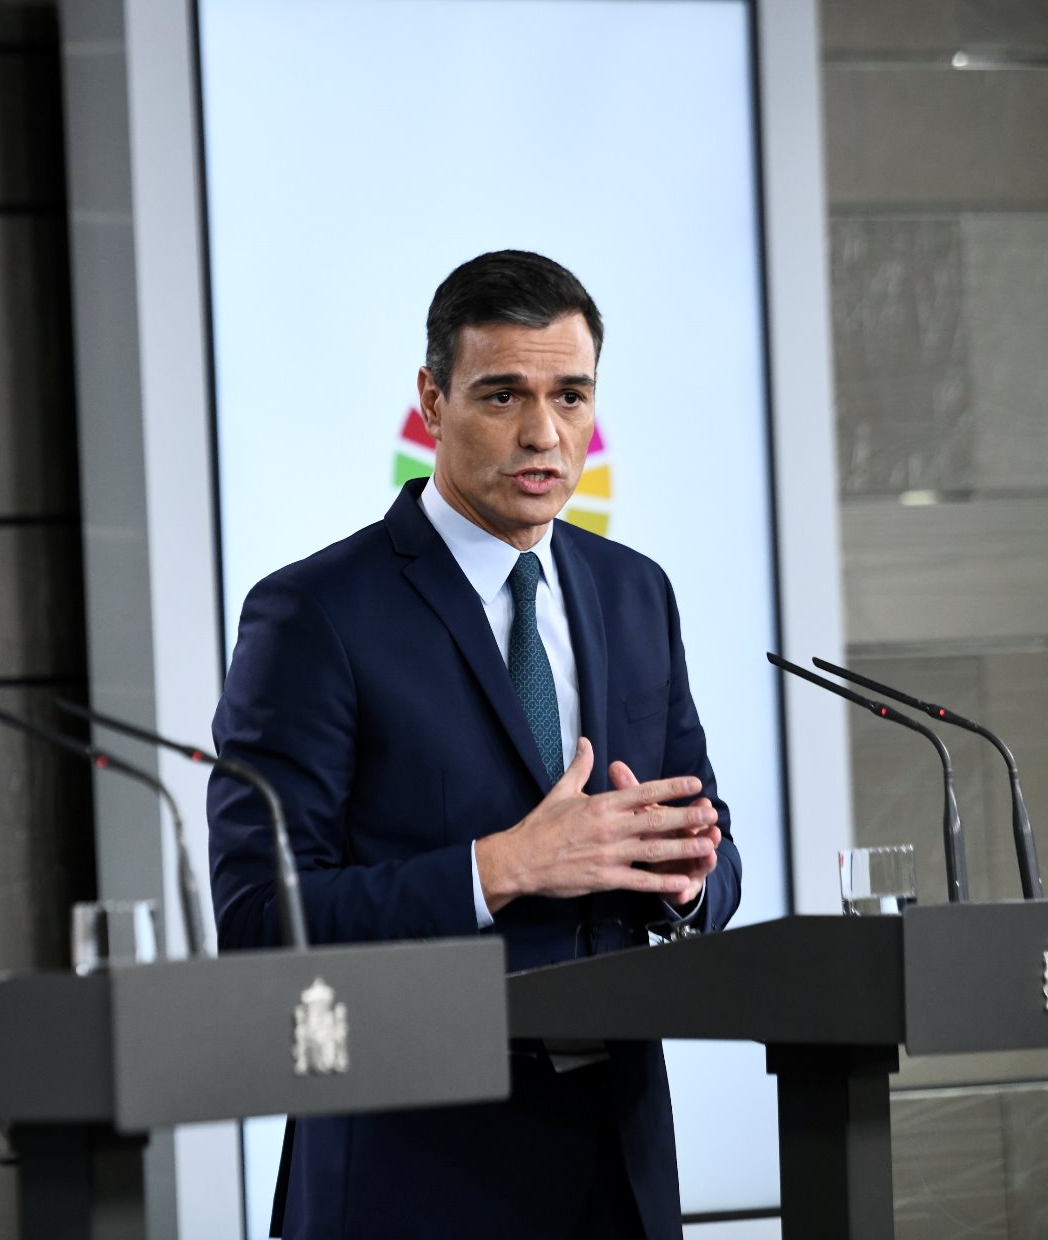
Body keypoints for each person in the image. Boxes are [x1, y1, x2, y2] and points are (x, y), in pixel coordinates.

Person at [208, 250, 740, 1239]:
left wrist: (689, 874)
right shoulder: (315, 613)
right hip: (414, 1175)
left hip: (619, 1166)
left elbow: (710, 839)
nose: (545, 432)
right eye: (503, 394)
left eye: (572, 395)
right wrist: (495, 868)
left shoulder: (636, 593)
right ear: (432, 398)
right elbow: (258, 919)